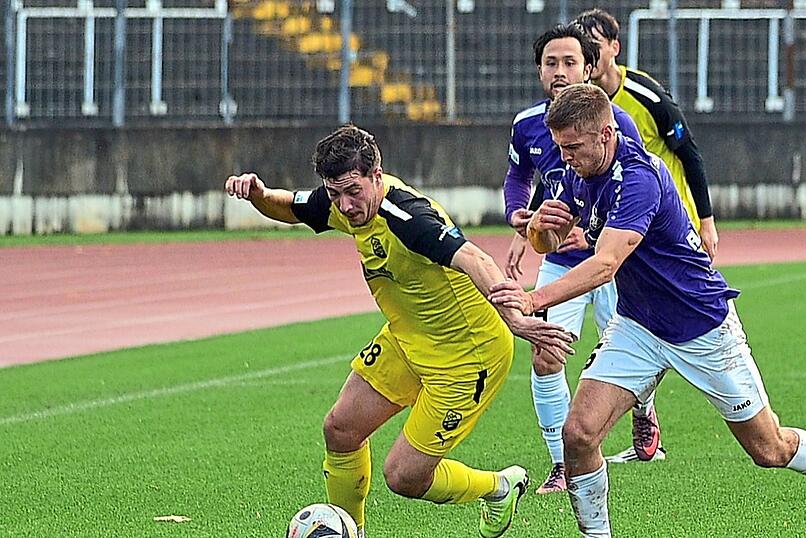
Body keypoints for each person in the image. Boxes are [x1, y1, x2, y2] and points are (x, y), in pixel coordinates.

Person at [489, 84, 806, 537]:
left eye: (572, 147)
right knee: (579, 434)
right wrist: (540, 230)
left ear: (605, 134)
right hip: (638, 327)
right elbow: (555, 242)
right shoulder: (579, 173)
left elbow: (605, 263)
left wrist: (533, 300)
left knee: (768, 448)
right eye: (560, 148)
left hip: (702, 326)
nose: (565, 157)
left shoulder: (639, 178)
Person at [225, 124, 575, 538]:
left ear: (377, 175)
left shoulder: (408, 217)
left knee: (404, 476)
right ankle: (349, 530)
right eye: (335, 193)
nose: (345, 205)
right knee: (340, 429)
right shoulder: (342, 201)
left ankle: (498, 487)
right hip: (408, 339)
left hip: (468, 357)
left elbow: (475, 258)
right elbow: (294, 207)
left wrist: (515, 317)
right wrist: (260, 196)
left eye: (353, 191)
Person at [502, 23, 662, 496]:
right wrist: (525, 220)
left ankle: (642, 411)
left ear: (589, 68)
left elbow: (636, 193)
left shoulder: (614, 123)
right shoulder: (527, 125)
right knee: (546, 352)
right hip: (561, 263)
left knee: (632, 356)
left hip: (616, 263)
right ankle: (561, 464)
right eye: (551, 63)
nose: (560, 71)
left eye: (570, 62)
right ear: (539, 71)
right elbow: (518, 179)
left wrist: (585, 227)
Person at [574, 7, 719, 464]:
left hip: (669, 225)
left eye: (594, 46)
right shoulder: (577, 116)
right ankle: (642, 407)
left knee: (664, 310)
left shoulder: (644, 96)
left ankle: (643, 401)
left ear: (614, 48)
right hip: (623, 228)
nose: (588, 55)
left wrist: (708, 219)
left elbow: (688, 151)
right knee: (628, 318)